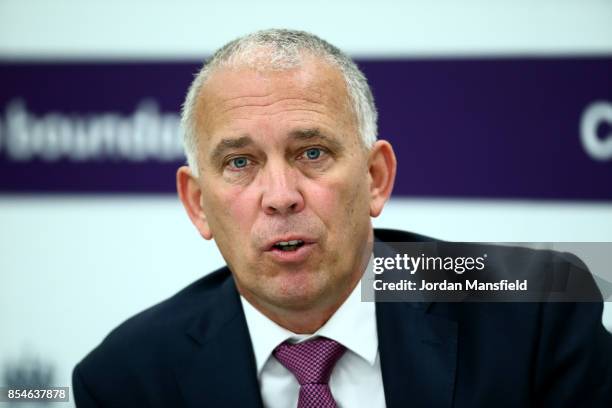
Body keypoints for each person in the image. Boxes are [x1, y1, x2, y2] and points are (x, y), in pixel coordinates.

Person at [73, 29, 612, 407]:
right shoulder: (127, 378)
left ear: (376, 178)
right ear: (196, 204)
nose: (280, 196)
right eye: (240, 163)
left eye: (312, 153)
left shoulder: (537, 313)